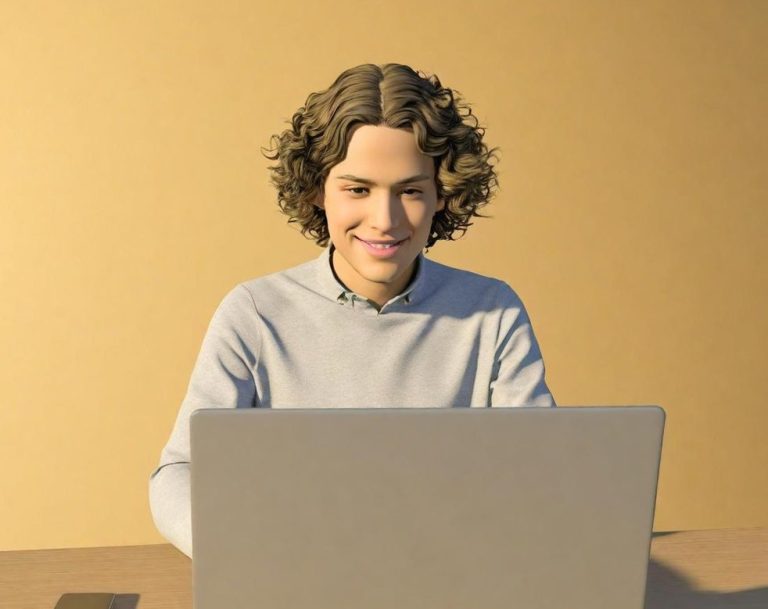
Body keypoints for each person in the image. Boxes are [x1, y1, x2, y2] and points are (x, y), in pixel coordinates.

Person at [149, 63, 556, 558]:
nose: (383, 222)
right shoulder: (254, 313)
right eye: (357, 189)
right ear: (318, 191)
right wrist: (242, 552)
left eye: (409, 190)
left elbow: (539, 470)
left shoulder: (491, 312)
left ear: (441, 195)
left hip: (450, 569)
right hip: (295, 572)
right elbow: (178, 472)